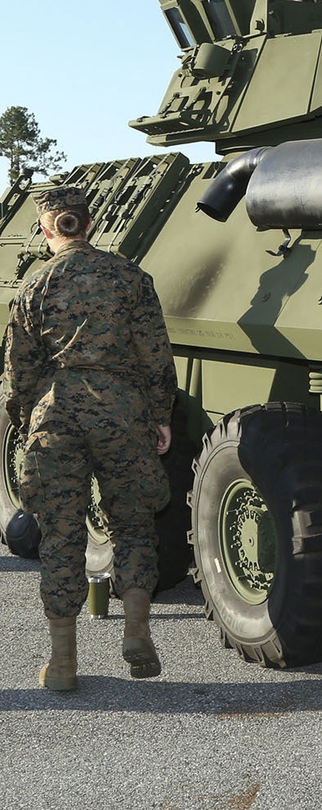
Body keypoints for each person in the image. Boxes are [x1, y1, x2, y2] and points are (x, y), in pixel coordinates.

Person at [3, 187, 176, 691]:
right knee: (134, 525)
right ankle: (137, 632)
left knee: (61, 534)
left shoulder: (34, 286)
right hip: (123, 412)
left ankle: (62, 664)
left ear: (46, 228)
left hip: (56, 415)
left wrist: (26, 416)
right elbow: (155, 356)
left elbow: (19, 370)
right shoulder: (130, 278)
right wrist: (159, 415)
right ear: (90, 223)